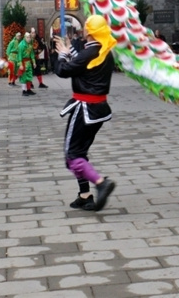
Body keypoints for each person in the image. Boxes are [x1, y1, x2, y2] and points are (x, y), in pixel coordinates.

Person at [53, 15, 117, 212]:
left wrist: (62, 54)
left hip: (84, 108)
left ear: (89, 32)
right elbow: (82, 64)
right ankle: (84, 195)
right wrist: (70, 50)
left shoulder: (90, 53)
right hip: (98, 108)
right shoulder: (105, 52)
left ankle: (100, 183)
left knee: (72, 155)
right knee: (79, 153)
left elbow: (63, 70)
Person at [18, 31, 37, 96]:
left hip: (28, 62)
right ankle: (24, 90)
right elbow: (19, 55)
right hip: (23, 62)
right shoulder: (21, 45)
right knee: (23, 77)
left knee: (29, 76)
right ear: (25, 38)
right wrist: (20, 64)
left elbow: (32, 54)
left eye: (29, 37)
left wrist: (34, 62)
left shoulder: (30, 45)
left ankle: (28, 89)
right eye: (27, 37)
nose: (29, 39)